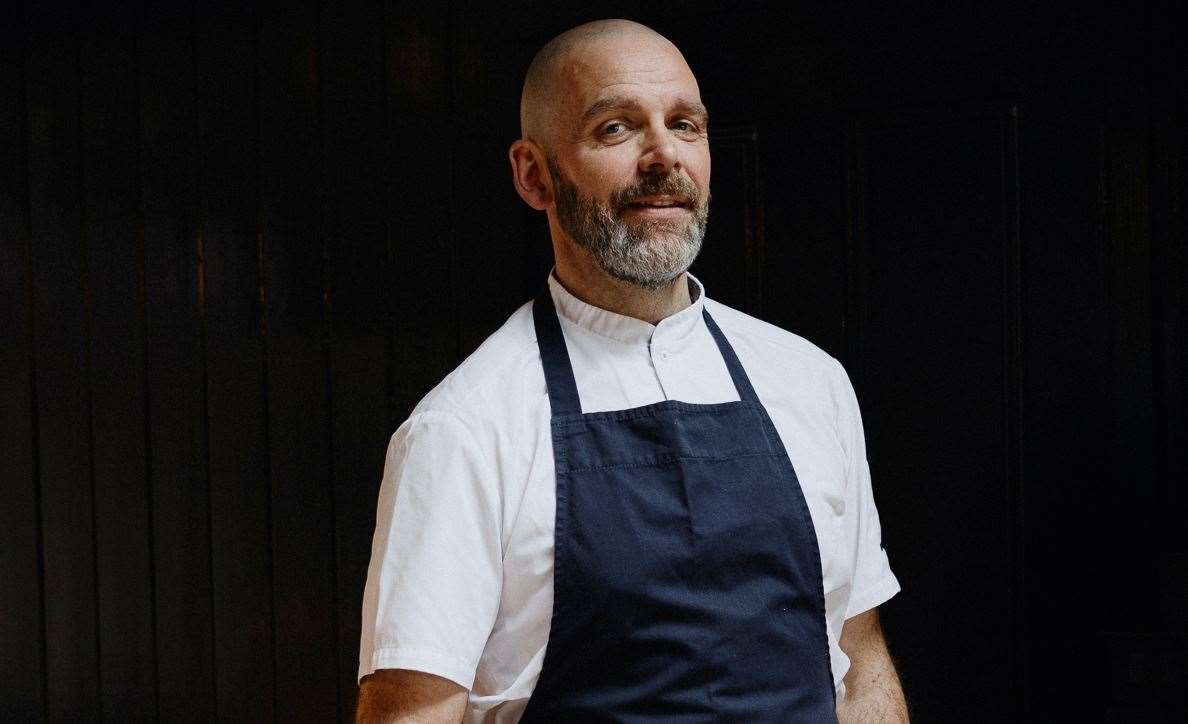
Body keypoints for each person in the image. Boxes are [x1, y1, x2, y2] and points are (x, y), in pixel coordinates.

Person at [356, 18, 907, 723]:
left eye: (685, 125)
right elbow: (411, 714)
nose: (662, 156)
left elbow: (859, 657)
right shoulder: (463, 428)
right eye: (616, 128)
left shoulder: (811, 382)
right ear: (533, 175)